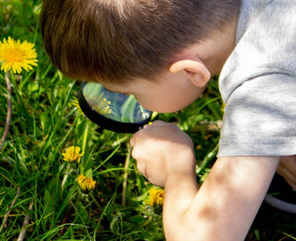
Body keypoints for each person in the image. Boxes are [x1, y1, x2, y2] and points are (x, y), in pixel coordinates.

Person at [40, 0, 296, 240]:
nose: (130, 99)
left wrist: (176, 172)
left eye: (129, 93)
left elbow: (205, 237)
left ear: (189, 71)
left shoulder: (261, 88)